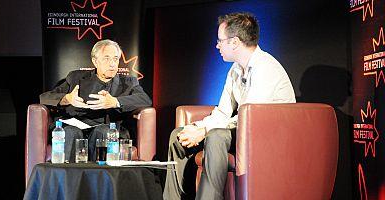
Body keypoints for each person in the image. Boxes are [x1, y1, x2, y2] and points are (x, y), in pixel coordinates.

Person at [163, 12, 296, 200]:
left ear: (234, 42)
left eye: (220, 40)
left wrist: (206, 130)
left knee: (216, 135)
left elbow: (249, 118)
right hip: (244, 130)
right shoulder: (234, 70)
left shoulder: (266, 68)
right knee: (179, 136)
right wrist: (198, 128)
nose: (217, 45)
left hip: (268, 135)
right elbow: (223, 111)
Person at [40, 39, 152, 162]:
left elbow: (145, 99)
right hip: (76, 125)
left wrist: (115, 102)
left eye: (115, 59)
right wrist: (67, 98)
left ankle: (99, 178)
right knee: (71, 132)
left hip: (106, 128)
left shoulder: (128, 82)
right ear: (95, 61)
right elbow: (45, 97)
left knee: (104, 131)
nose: (112, 64)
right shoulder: (76, 78)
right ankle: (67, 178)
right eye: (107, 58)